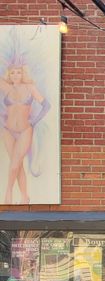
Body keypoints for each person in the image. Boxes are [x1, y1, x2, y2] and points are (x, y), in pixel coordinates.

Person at [1, 60, 50, 204]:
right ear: (9, 75)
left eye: (19, 72)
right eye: (13, 73)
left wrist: (34, 122)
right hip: (8, 131)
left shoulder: (30, 87)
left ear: (23, 74)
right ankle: (24, 197)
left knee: (14, 164)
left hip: (24, 131)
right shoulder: (6, 87)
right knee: (17, 164)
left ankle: (8, 194)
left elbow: (46, 105)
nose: (16, 75)